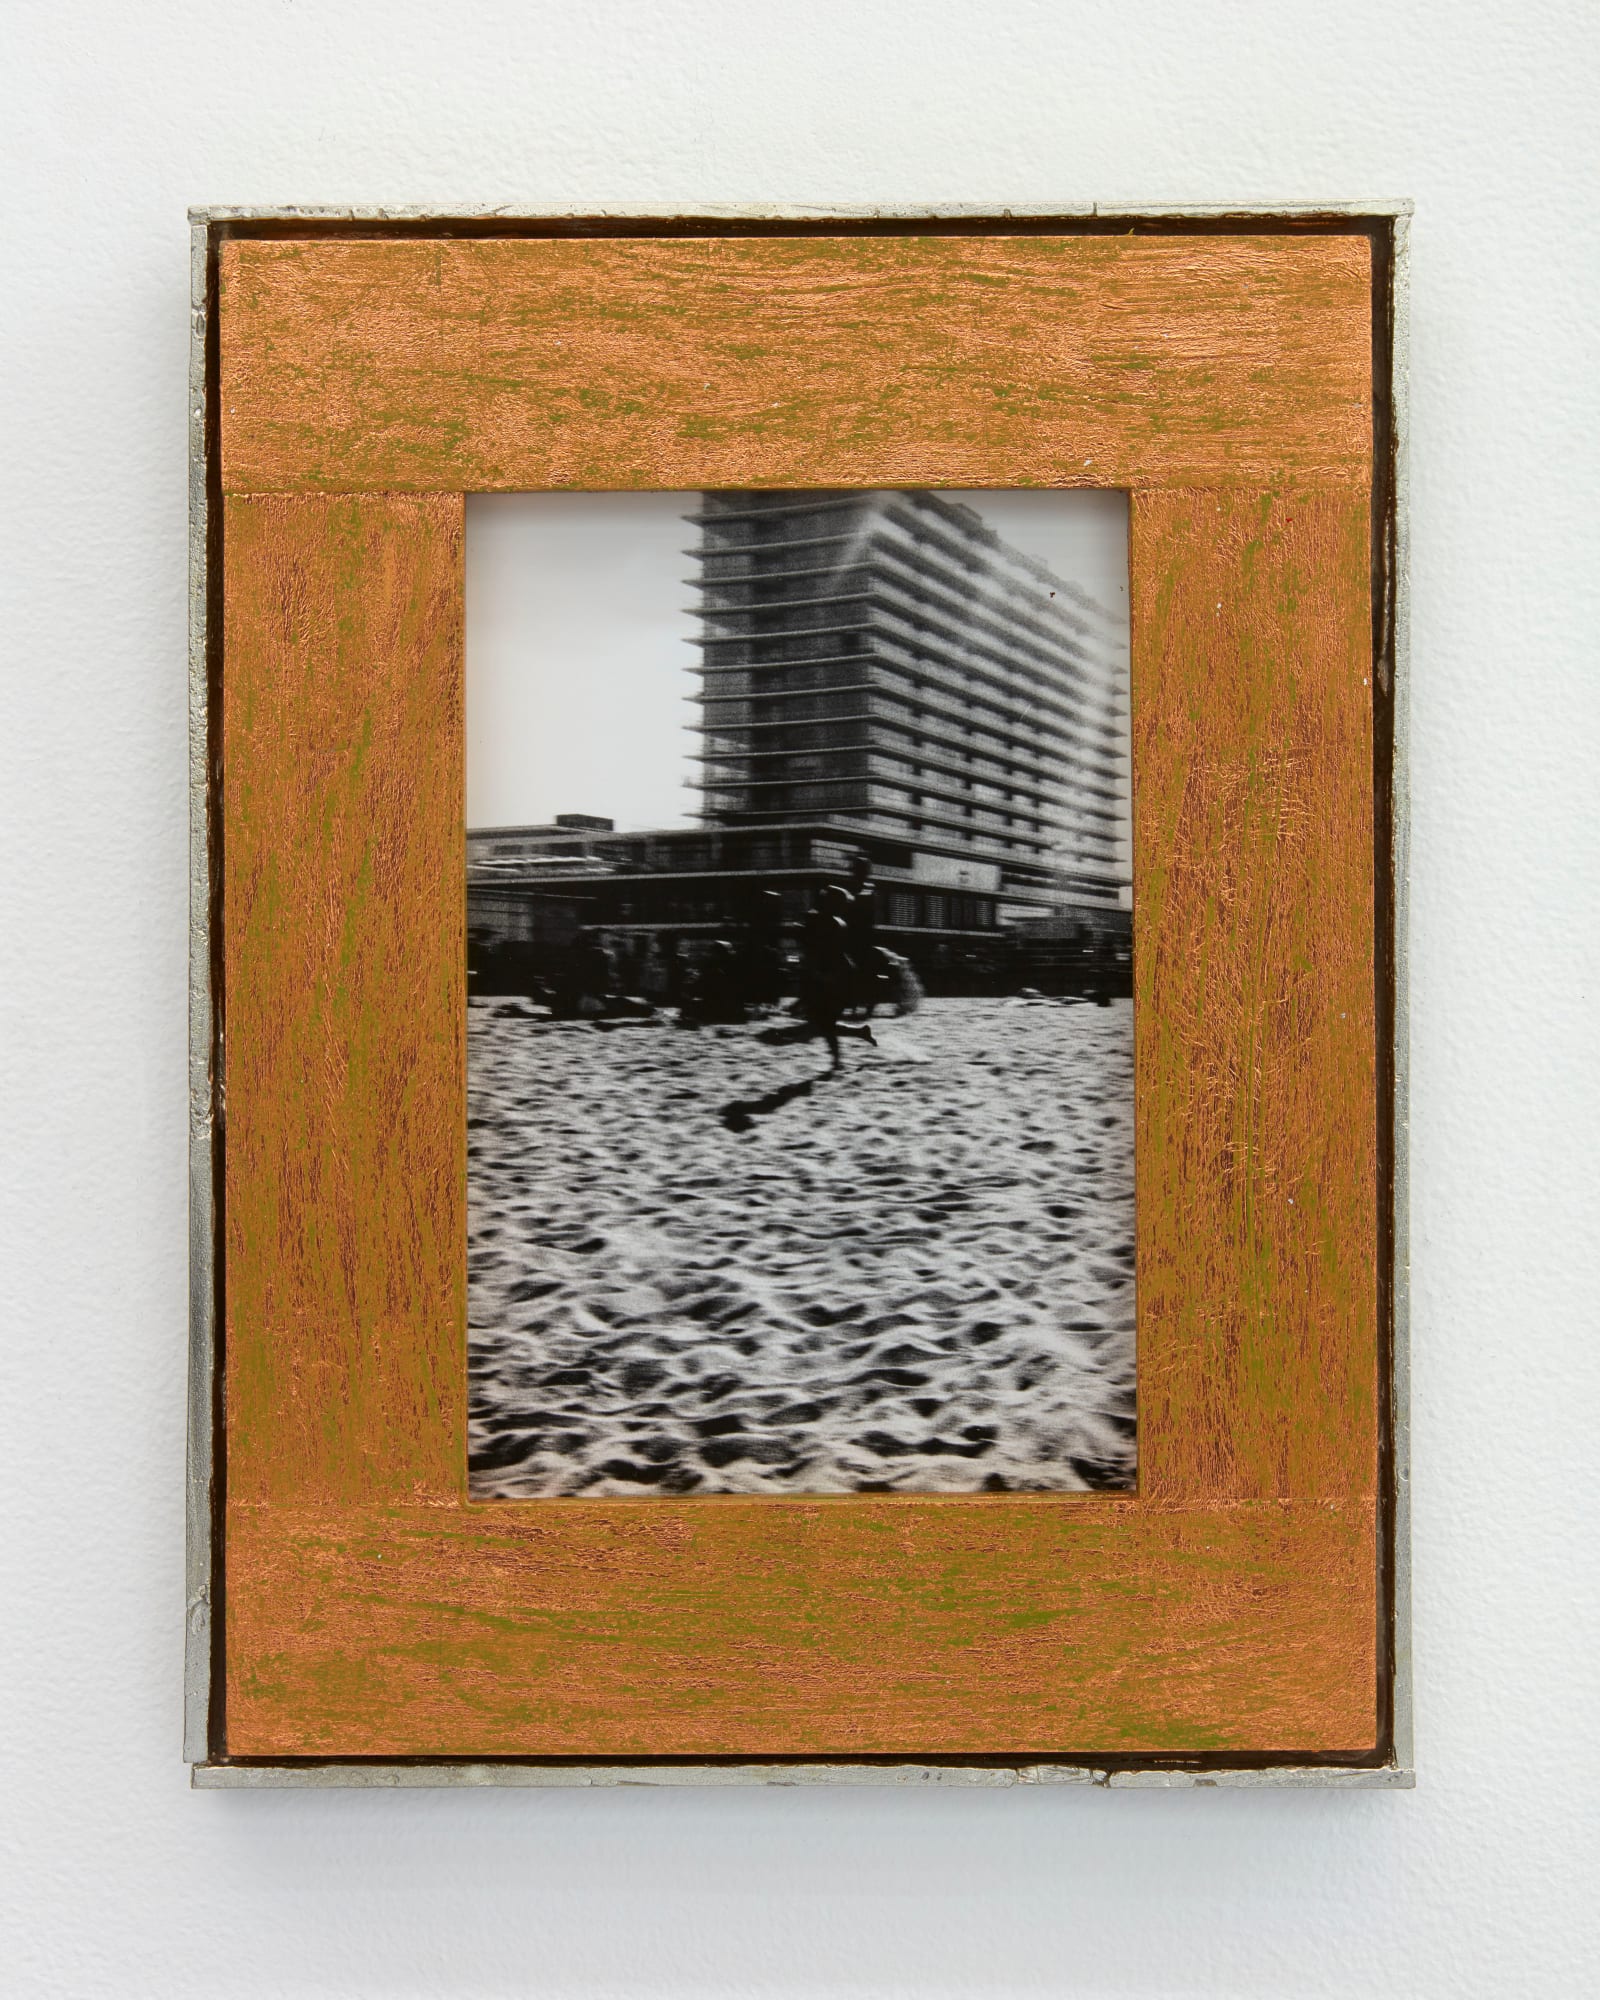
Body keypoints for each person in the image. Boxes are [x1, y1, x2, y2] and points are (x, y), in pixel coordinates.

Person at [800, 885, 874, 1071]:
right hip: (838, 975)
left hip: (833, 977)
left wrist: (822, 975)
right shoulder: (835, 922)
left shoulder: (827, 922)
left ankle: (838, 1061)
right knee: (824, 1023)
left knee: (823, 1023)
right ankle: (858, 1035)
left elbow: (820, 951)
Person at [845, 853, 879, 1016]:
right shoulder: (849, 888)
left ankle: (867, 1001)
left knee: (865, 969)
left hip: (863, 935)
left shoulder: (868, 890)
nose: (856, 873)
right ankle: (851, 1002)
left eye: (860, 870)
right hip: (850, 934)